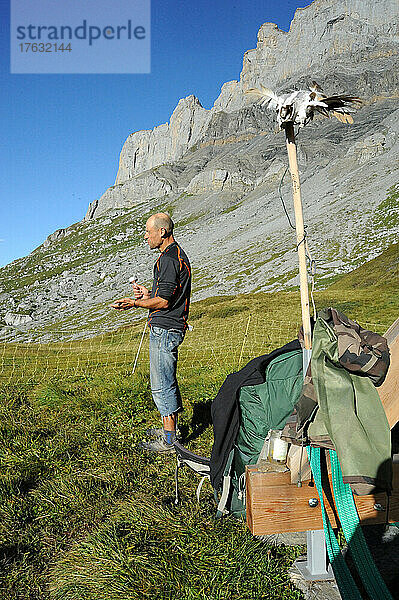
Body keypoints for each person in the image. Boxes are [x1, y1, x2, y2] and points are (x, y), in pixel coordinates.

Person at [111, 213, 191, 453]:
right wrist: (147, 295)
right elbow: (165, 295)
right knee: (165, 379)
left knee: (161, 383)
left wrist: (134, 304)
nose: (145, 236)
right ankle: (169, 430)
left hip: (166, 328)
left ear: (162, 232)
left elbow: (165, 302)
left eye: (148, 232)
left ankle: (169, 442)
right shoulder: (174, 256)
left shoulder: (168, 259)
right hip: (170, 326)